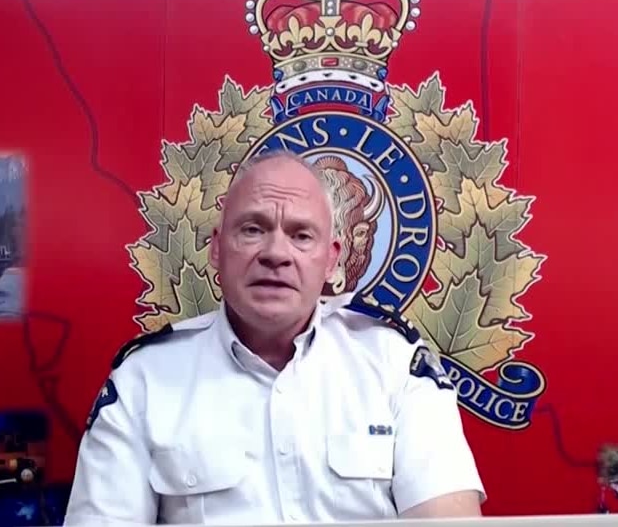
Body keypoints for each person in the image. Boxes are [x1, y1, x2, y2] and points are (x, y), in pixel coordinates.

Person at [63, 150, 485, 525]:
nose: (276, 253)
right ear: (216, 249)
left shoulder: (396, 365)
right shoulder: (144, 381)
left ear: (331, 260)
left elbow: (447, 519)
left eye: (301, 235)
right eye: (252, 229)